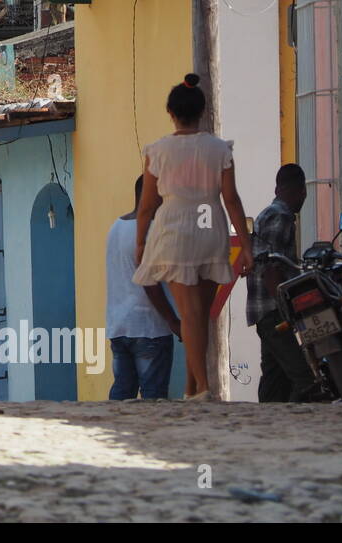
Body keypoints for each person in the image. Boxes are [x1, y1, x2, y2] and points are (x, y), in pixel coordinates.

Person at [134, 74, 253, 401]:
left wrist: (141, 242)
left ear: (170, 113)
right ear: (202, 112)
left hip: (174, 229)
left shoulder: (157, 151)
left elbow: (147, 205)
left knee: (190, 314)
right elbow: (231, 199)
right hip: (210, 226)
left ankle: (201, 387)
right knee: (200, 314)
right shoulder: (219, 149)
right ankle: (190, 388)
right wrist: (245, 244)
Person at [248, 163, 318, 403]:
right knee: (304, 377)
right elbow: (271, 267)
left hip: (263, 310)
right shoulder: (281, 216)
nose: (304, 200)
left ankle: (268, 421)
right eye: (304, 194)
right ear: (299, 190)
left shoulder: (267, 213)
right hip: (273, 309)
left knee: (274, 376)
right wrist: (286, 310)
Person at [107, 175, 181, 399]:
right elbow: (149, 282)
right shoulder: (150, 231)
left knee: (122, 393)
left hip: (119, 325)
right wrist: (173, 321)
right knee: (153, 397)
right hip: (150, 328)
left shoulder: (116, 227)